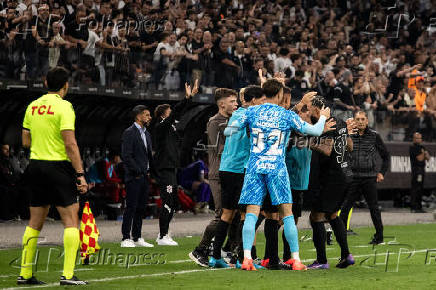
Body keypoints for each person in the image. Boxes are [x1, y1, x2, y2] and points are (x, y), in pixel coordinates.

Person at [225, 79, 330, 271]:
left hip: (255, 166)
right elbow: (315, 130)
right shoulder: (285, 115)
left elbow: (228, 131)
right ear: (280, 95)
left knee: (251, 213)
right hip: (276, 168)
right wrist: (322, 117)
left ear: (264, 93)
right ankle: (296, 260)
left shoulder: (251, 111)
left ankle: (247, 258)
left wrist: (237, 121)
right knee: (287, 214)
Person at [18, 66, 88, 285]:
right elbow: (70, 143)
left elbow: (25, 141)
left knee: (34, 222)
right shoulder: (64, 107)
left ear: (45, 83)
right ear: (66, 85)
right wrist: (80, 174)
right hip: (58, 167)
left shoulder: (33, 106)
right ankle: (67, 275)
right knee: (70, 221)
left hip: (36, 166)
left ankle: (25, 273)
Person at [208, 85, 263, 268]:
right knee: (245, 214)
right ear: (254, 101)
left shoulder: (238, 115)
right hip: (238, 170)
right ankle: (240, 258)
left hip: (228, 169)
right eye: (262, 101)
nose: (235, 104)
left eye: (236, 101)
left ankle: (217, 256)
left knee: (228, 214)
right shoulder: (246, 115)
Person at [188, 88, 238, 267]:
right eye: (232, 101)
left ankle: (227, 250)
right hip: (218, 174)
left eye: (236, 101)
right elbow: (220, 149)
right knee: (221, 215)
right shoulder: (215, 122)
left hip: (233, 172)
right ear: (222, 104)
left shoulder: (233, 120)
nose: (236, 104)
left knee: (236, 214)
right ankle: (200, 249)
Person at [307, 110, 356, 270]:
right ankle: (346, 255)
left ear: (316, 109)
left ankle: (321, 260)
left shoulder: (326, 125)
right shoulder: (341, 122)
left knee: (316, 217)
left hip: (331, 177)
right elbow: (350, 146)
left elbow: (327, 150)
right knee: (333, 215)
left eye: (309, 109)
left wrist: (309, 141)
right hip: (345, 174)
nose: (308, 112)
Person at [152, 80, 198, 246]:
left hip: (171, 168)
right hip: (164, 169)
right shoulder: (161, 127)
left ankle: (164, 233)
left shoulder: (170, 128)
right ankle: (163, 235)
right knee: (167, 201)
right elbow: (175, 115)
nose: (172, 113)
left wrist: (189, 100)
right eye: (169, 111)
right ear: (164, 115)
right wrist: (186, 99)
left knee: (172, 201)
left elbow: (176, 116)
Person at [339, 111, 389, 245]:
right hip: (353, 177)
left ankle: (379, 237)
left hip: (369, 178)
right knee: (345, 208)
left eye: (362, 119)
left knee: (374, 209)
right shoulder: (348, 135)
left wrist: (382, 172)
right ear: (354, 121)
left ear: (367, 121)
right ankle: (341, 236)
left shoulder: (374, 136)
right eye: (357, 119)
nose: (360, 121)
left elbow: (386, 156)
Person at [120, 105, 154, 248]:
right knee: (131, 207)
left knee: (141, 207)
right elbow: (126, 156)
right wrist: (138, 171)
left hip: (145, 176)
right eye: (146, 115)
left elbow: (148, 155)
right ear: (138, 116)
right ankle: (125, 237)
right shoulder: (129, 133)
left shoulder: (146, 133)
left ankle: (137, 236)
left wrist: (150, 172)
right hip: (134, 177)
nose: (149, 117)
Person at [409, 132, 430, 213]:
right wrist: (424, 153)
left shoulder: (422, 147)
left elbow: (428, 158)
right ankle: (414, 207)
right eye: (417, 138)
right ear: (414, 139)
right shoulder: (413, 147)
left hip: (422, 170)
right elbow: (420, 159)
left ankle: (419, 207)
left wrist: (425, 154)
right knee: (415, 188)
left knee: (420, 188)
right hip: (416, 170)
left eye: (420, 138)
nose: (418, 139)